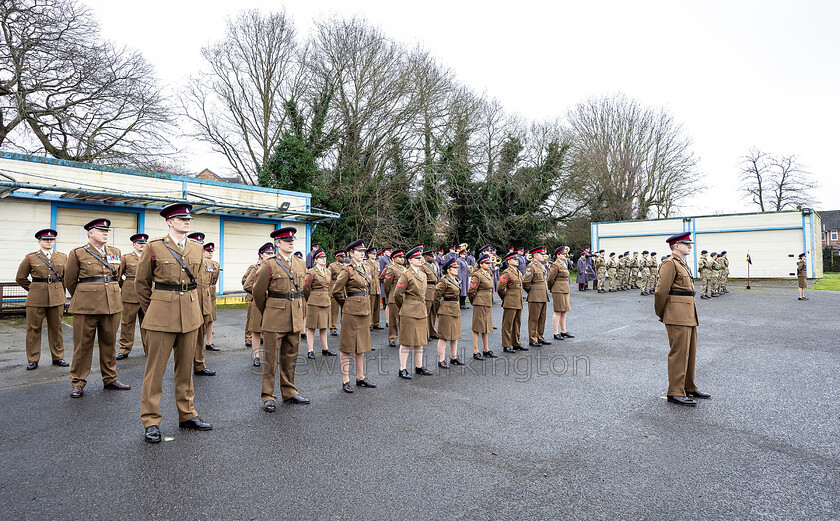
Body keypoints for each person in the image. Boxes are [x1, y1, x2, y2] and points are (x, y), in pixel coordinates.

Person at [136, 203, 212, 442]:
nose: (186, 221)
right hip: (161, 315)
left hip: (189, 314)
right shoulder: (154, 247)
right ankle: (151, 420)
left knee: (186, 368)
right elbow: (141, 284)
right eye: (181, 218)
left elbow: (198, 283)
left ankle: (187, 414)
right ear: (169, 221)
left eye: (188, 218)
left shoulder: (196, 248)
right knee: (155, 371)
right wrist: (156, 309)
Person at [64, 218, 130, 398]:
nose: (105, 233)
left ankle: (110, 378)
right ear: (90, 233)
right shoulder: (78, 253)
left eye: (107, 231)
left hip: (111, 305)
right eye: (101, 230)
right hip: (86, 306)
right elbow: (70, 281)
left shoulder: (115, 252)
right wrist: (86, 294)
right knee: (82, 345)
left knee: (109, 343)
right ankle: (78, 382)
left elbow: (116, 277)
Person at [253, 227, 310, 411]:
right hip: (274, 316)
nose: (291, 242)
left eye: (292, 240)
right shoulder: (269, 264)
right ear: (277, 243)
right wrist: (269, 311)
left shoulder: (301, 264)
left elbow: (304, 291)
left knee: (290, 356)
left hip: (295, 315)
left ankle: (289, 391)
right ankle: (268, 396)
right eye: (286, 240)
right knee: (271, 358)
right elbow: (258, 293)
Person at [654, 232, 710, 407]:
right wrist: (662, 312)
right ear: (676, 246)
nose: (690, 246)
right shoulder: (669, 263)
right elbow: (661, 291)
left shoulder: (682, 263)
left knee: (690, 352)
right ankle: (675, 392)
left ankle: (688, 386)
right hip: (676, 314)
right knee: (679, 353)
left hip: (688, 313)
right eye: (687, 244)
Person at [15, 228, 68, 370]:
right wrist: (33, 289)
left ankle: (58, 357)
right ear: (39, 242)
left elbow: (66, 278)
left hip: (56, 297)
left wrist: (61, 292)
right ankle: (33, 359)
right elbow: (20, 277)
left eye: (51, 240)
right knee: (33, 328)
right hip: (36, 298)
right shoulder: (30, 258)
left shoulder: (63, 257)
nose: (49, 242)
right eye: (45, 240)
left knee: (56, 328)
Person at [331, 240, 376, 392]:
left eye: (364, 251)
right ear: (351, 253)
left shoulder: (365, 268)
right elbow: (336, 291)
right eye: (359, 251)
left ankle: (361, 377)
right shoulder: (347, 270)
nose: (362, 253)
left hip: (364, 310)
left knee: (361, 345)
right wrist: (347, 304)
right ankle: (346, 380)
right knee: (347, 346)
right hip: (351, 311)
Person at [393, 246, 431, 379]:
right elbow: (397, 294)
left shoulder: (423, 275)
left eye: (420, 257)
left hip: (421, 310)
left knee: (419, 340)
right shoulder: (406, 275)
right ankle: (402, 368)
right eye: (417, 258)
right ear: (410, 260)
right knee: (406, 341)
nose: (420, 260)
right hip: (409, 310)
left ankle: (419, 366)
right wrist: (404, 306)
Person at [186, 232, 216, 377]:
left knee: (200, 336)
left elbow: (211, 282)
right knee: (186, 337)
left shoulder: (210, 263)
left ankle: (199, 364)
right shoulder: (185, 259)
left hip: (204, 302)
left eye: (200, 244)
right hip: (189, 301)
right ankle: (184, 366)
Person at [116, 233, 149, 360]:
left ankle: (149, 349)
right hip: (130, 296)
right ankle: (124, 349)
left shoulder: (150, 258)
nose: (142, 245)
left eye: (144, 243)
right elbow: (119, 276)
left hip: (146, 296)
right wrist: (126, 287)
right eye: (140, 243)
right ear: (134, 244)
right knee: (127, 324)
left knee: (147, 324)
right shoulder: (126, 258)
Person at [245, 244, 275, 366]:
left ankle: (270, 355)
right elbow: (247, 285)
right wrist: (260, 293)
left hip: (271, 303)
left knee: (271, 331)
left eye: (271, 253)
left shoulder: (275, 267)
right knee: (256, 330)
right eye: (267, 253)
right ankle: (256, 356)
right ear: (261, 255)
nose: (270, 255)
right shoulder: (256, 268)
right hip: (258, 302)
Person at [303, 247, 335, 358]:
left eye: (324, 257)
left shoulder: (328, 271)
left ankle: (325, 348)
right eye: (321, 258)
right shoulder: (311, 272)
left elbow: (330, 285)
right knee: (311, 327)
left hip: (326, 301)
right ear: (315, 260)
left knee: (323, 326)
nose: (323, 259)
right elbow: (306, 288)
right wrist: (310, 299)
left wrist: (329, 295)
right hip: (314, 302)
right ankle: (310, 350)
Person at [433, 258, 465, 368]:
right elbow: (436, 297)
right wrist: (438, 310)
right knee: (444, 336)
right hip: (446, 310)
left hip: (455, 309)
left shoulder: (455, 280)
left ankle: (453, 357)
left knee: (454, 335)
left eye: (457, 267)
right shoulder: (444, 281)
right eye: (454, 268)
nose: (457, 269)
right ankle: (441, 360)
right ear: (449, 269)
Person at [468, 254, 496, 360]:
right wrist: (474, 301)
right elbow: (471, 291)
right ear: (481, 264)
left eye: (489, 263)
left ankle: (486, 349)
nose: (489, 265)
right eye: (487, 263)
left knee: (486, 327)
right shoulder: (477, 275)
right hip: (479, 303)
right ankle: (476, 351)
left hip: (486, 303)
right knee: (477, 327)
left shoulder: (488, 273)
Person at [523, 246, 550, 348]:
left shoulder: (542, 266)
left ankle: (540, 336)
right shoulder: (531, 267)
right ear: (535, 255)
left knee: (542, 318)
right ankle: (533, 338)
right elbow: (525, 282)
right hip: (535, 296)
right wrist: (532, 291)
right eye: (541, 254)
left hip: (543, 295)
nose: (543, 256)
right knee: (534, 318)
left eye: (543, 254)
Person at [497, 251, 524, 353]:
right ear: (509, 261)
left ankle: (516, 343)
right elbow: (500, 288)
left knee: (517, 323)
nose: (517, 261)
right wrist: (506, 298)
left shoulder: (518, 272)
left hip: (518, 301)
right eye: (514, 259)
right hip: (510, 301)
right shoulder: (507, 273)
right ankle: (506, 345)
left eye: (517, 259)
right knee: (507, 324)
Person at [547, 247, 574, 340]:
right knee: (557, 311)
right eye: (562, 254)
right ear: (558, 255)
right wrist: (551, 288)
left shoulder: (564, 264)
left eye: (564, 254)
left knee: (564, 311)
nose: (564, 255)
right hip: (558, 290)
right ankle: (556, 333)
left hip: (565, 289)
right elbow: (550, 279)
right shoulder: (555, 265)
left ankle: (563, 331)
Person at [381, 249, 406, 347]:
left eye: (403, 257)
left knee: (403, 319)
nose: (402, 259)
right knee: (393, 319)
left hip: (403, 297)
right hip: (393, 297)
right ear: (394, 258)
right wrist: (389, 294)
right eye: (400, 257)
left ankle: (403, 338)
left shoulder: (404, 269)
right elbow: (387, 284)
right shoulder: (391, 269)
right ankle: (392, 338)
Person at [202, 242, 221, 351]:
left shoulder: (215, 264)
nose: (210, 253)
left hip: (211, 291)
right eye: (208, 251)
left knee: (211, 318)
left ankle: (209, 342)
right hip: (203, 291)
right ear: (203, 252)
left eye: (211, 251)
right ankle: (198, 342)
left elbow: (215, 279)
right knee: (202, 318)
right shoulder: (200, 262)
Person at [420, 250, 440, 340]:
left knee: (433, 312)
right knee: (426, 312)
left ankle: (432, 331)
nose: (433, 257)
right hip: (427, 290)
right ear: (426, 257)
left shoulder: (434, 266)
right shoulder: (423, 267)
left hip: (434, 289)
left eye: (433, 256)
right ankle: (425, 332)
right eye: (430, 256)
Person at [328, 250, 346, 336]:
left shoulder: (347, 266)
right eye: (341, 256)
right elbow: (328, 278)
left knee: (345, 309)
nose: (343, 258)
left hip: (344, 290)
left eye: (344, 256)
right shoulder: (332, 266)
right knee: (334, 310)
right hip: (335, 289)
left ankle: (344, 327)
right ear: (337, 257)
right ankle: (333, 327)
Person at [365, 247, 384, 330]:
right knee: (371, 306)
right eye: (372, 254)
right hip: (371, 286)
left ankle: (376, 323)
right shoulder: (366, 263)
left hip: (377, 286)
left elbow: (378, 275)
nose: (374, 255)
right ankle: (370, 323)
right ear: (369, 254)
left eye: (375, 254)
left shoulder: (377, 263)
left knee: (377, 306)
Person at [242, 258, 259, 349]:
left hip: (264, 298)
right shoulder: (254, 267)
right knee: (251, 319)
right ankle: (249, 338)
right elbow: (244, 280)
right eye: (267, 253)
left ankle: (262, 337)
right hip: (253, 296)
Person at [377, 247, 393, 324]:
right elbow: (380, 272)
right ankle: (387, 321)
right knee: (387, 303)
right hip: (385, 282)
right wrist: (383, 281)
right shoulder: (382, 259)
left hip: (391, 283)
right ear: (385, 252)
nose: (390, 253)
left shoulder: (390, 259)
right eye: (389, 252)